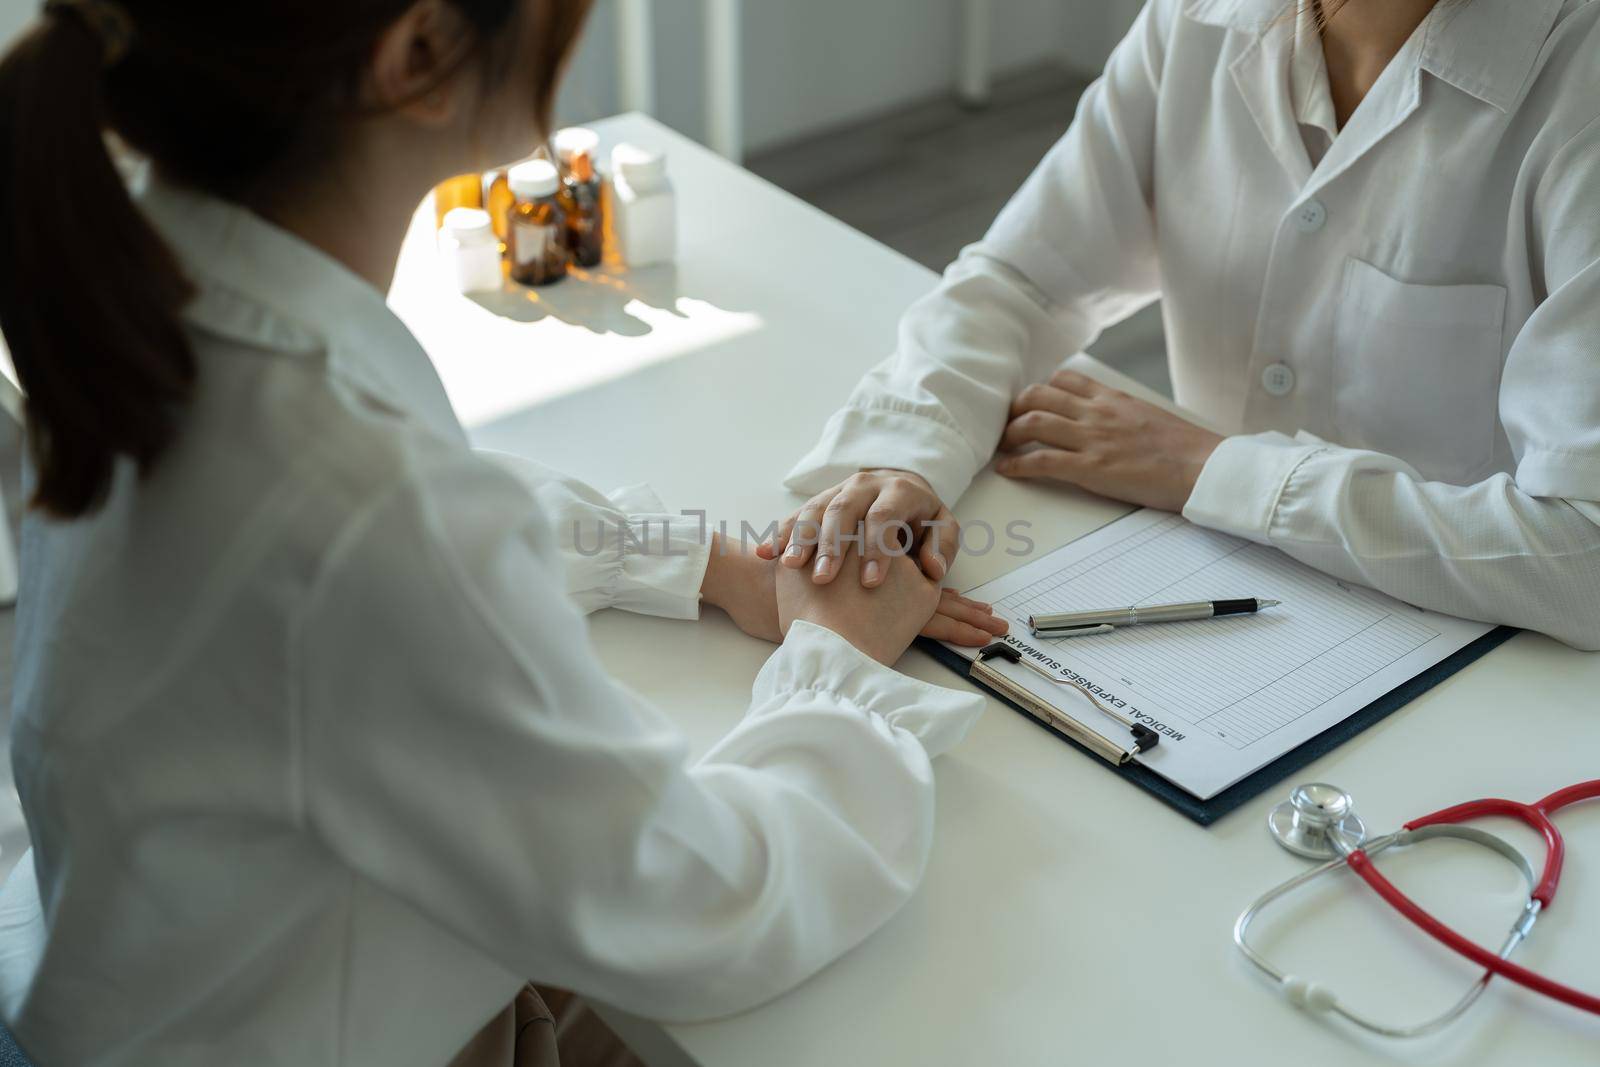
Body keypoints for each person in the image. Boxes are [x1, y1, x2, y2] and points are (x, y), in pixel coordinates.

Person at [0, 1, 1009, 1063]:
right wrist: (835, 663)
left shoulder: (144, 273)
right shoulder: (353, 498)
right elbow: (698, 909)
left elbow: (434, 513)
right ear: (423, 50)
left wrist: (703, 560)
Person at [773, 0, 1600, 650]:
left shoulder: (1579, 86)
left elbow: (1584, 556)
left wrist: (1213, 470)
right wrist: (909, 448)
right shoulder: (1200, 16)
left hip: (1482, 656)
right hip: (1211, 595)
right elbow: (1028, 277)